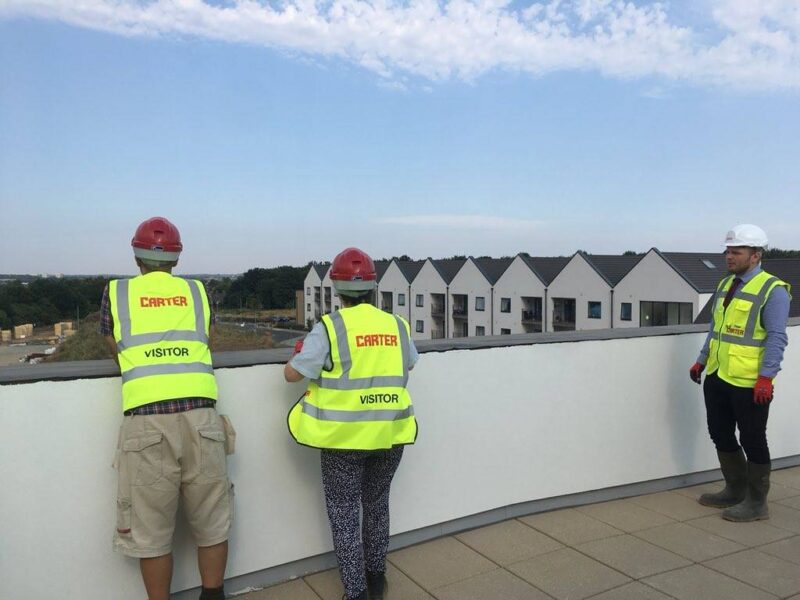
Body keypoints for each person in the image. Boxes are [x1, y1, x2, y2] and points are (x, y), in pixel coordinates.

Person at [101, 217, 234, 600]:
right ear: (176, 258)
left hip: (146, 421)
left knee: (151, 530)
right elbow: (207, 339)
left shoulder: (117, 292)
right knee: (212, 521)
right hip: (202, 416)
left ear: (135, 256)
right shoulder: (198, 291)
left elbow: (112, 343)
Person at [284, 247, 419, 600]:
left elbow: (292, 375)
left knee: (344, 514)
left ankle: (356, 593)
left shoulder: (329, 327)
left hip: (344, 440)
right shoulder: (396, 324)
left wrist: (300, 354)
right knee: (377, 503)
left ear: (337, 289)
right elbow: (409, 364)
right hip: (390, 433)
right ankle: (377, 577)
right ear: (373, 287)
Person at [690, 224, 791, 522]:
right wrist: (701, 359)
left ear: (756, 255)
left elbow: (776, 337)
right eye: (727, 251)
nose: (729, 257)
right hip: (719, 375)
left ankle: (757, 503)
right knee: (719, 432)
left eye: (736, 252)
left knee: (753, 439)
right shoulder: (725, 285)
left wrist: (766, 378)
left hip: (749, 382)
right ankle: (735, 490)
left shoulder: (773, 291)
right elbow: (716, 329)